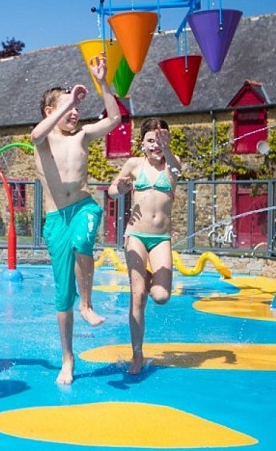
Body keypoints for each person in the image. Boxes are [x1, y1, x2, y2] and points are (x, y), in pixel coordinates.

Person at [31, 54, 122, 384]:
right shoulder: (43, 141)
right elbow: (36, 134)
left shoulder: (82, 137)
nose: (74, 112)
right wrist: (66, 100)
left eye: (75, 107)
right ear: (50, 111)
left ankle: (87, 304)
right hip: (56, 219)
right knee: (61, 295)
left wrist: (102, 81)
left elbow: (113, 119)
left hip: (83, 206)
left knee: (85, 240)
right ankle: (67, 358)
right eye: (66, 107)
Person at [107, 118, 182, 375]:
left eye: (160, 139)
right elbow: (111, 191)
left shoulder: (173, 163)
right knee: (137, 295)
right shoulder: (134, 164)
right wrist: (121, 186)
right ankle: (136, 355)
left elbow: (176, 173)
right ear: (142, 144)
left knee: (160, 297)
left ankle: (146, 278)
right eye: (151, 140)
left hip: (161, 238)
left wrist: (167, 148)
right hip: (136, 235)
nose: (156, 145)